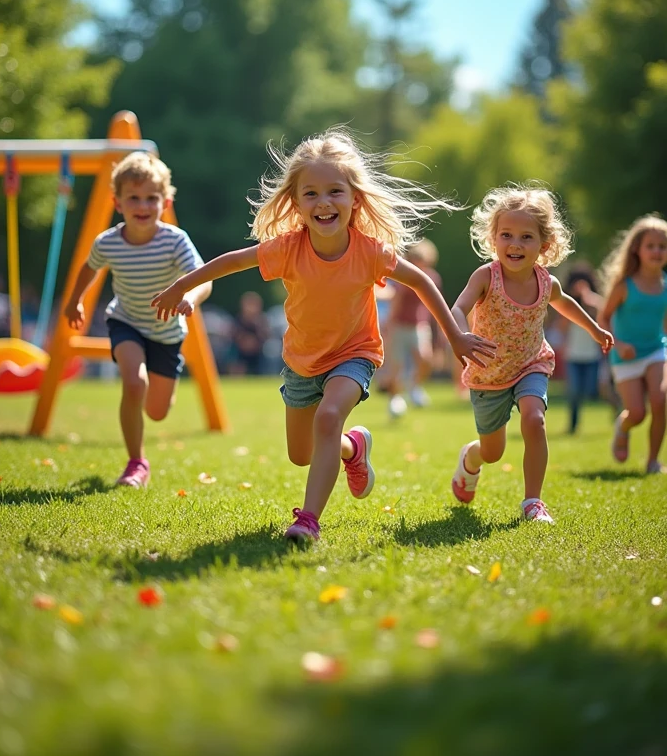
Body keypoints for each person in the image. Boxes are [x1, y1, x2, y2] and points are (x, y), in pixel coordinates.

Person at [151, 129, 495, 543]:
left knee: (328, 417)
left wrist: (456, 336)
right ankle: (354, 448)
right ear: (296, 202)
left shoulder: (368, 251)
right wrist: (180, 286)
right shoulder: (288, 248)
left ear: (355, 199)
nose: (324, 202)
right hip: (302, 361)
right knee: (303, 453)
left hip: (356, 353)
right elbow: (229, 262)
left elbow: (421, 280)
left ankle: (308, 521)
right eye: (311, 193)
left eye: (335, 191)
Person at [450, 185, 613, 525]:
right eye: (506, 235)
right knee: (493, 452)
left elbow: (566, 304)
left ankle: (533, 502)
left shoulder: (546, 282)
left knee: (534, 420)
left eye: (526, 237)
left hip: (530, 364)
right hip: (488, 374)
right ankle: (471, 460)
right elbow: (458, 307)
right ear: (493, 238)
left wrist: (594, 330)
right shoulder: (485, 277)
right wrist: (460, 335)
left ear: (545, 244)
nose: (515, 244)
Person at [64, 152, 212, 487]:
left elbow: (204, 278)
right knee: (134, 383)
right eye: (134, 198)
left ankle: (148, 402)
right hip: (125, 321)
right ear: (118, 203)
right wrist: (75, 301)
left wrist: (188, 297)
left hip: (167, 332)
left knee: (157, 411)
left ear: (166, 201)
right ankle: (136, 463)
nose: (142, 206)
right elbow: (89, 267)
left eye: (151, 198)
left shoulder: (175, 241)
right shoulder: (109, 243)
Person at [598, 214, 667, 473]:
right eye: (651, 246)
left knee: (661, 401)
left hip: (656, 351)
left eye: (663, 246)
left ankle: (652, 461)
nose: (657, 251)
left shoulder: (666, 287)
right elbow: (603, 317)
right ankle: (623, 426)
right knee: (637, 413)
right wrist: (618, 344)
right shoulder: (625, 285)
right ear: (637, 249)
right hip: (624, 355)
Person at [385, 238, 443, 417]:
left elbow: (435, 305)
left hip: (420, 326)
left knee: (426, 359)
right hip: (400, 325)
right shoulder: (404, 276)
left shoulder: (433, 278)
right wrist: (389, 326)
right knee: (397, 366)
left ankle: (414, 386)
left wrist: (439, 331)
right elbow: (396, 300)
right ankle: (395, 398)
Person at [561, 264, 604, 435]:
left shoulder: (594, 302)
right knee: (574, 392)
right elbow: (562, 327)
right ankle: (573, 425)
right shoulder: (566, 305)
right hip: (573, 355)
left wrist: (587, 296)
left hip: (592, 355)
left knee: (595, 391)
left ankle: (618, 416)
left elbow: (603, 313)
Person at [230, 291, 271, 375]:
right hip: (241, 350)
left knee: (270, 351)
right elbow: (234, 335)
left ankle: (268, 374)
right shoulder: (239, 319)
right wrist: (244, 342)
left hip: (259, 350)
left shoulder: (262, 320)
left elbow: (266, 336)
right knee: (231, 351)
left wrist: (255, 342)